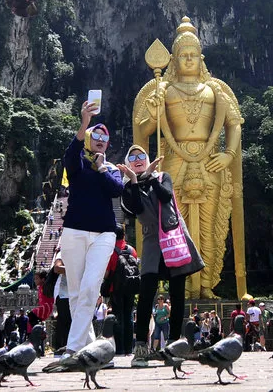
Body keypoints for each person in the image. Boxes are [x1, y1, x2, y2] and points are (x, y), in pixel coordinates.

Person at [132, 17, 247, 300]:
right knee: (174, 224)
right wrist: (155, 110)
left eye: (193, 55)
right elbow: (144, 129)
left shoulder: (214, 90)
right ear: (173, 59)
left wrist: (228, 154)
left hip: (210, 162)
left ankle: (206, 284)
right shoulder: (164, 90)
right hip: (174, 159)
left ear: (201, 58)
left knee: (209, 226)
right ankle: (179, 286)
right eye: (183, 55)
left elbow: (235, 123)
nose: (188, 60)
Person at [118, 144, 204, 367]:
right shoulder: (128, 188)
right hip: (151, 244)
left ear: (147, 159)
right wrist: (136, 181)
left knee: (177, 295)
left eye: (141, 156)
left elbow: (166, 198)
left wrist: (153, 178)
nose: (138, 159)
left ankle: (174, 346)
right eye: (132, 157)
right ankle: (140, 349)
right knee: (146, 294)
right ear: (128, 163)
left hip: (173, 240)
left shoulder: (163, 176)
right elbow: (136, 208)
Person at [59, 102, 123, 359]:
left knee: (89, 288)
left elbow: (116, 190)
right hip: (74, 231)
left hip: (104, 233)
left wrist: (103, 167)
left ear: (107, 145)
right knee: (75, 293)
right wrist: (84, 123)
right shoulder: (77, 165)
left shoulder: (112, 170)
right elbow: (69, 155)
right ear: (88, 139)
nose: (99, 140)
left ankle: (73, 348)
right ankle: (89, 345)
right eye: (95, 135)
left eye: (104, 138)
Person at [103, 225, 137, 355]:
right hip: (130, 287)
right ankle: (129, 348)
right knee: (129, 316)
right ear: (124, 235)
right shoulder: (131, 250)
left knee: (118, 317)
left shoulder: (112, 251)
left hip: (116, 289)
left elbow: (107, 273)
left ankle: (120, 348)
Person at [53, 247, 71, 352]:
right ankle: (61, 348)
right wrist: (74, 269)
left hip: (74, 293)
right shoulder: (63, 252)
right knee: (64, 322)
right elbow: (57, 268)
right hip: (63, 294)